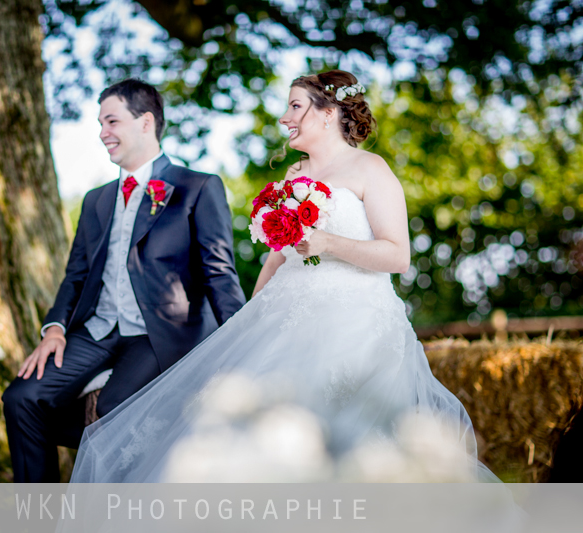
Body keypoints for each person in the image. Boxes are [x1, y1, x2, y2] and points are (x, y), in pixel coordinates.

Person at [68, 70, 498, 483]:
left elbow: (398, 255)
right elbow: (277, 259)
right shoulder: (295, 175)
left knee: (340, 437)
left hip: (355, 323)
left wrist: (328, 243)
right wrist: (246, 322)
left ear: (328, 114)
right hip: (283, 318)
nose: (285, 118)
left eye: (295, 107)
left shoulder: (371, 170)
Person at [2, 79, 246, 482]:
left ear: (145, 122)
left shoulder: (197, 187)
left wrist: (238, 342)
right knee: (21, 398)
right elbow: (75, 275)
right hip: (96, 331)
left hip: (159, 335)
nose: (102, 133)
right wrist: (55, 329)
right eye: (100, 123)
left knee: (113, 410)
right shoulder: (96, 199)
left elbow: (219, 273)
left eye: (111, 121)